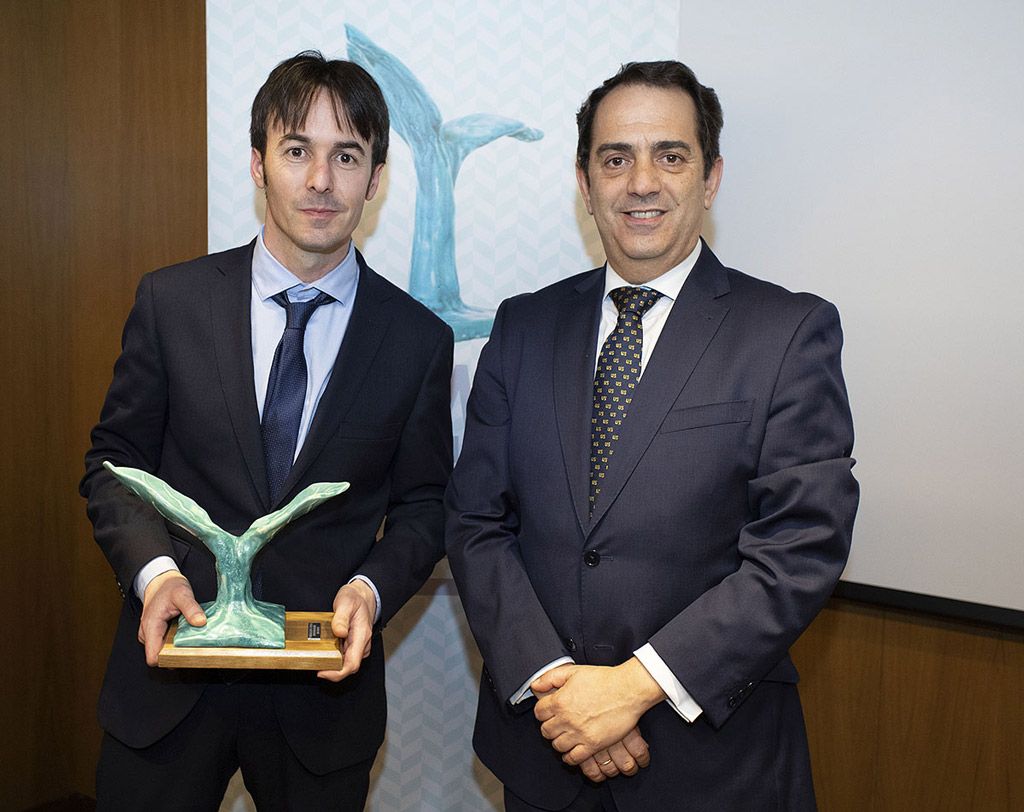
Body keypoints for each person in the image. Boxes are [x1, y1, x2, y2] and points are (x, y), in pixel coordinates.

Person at [445, 60, 858, 811]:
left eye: (670, 155)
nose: (641, 182)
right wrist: (557, 688)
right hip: (546, 749)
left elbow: (802, 545)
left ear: (711, 177)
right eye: (615, 158)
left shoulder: (788, 332)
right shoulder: (523, 327)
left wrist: (633, 689)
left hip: (713, 764)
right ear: (585, 181)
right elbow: (475, 522)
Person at [81, 51, 453, 810]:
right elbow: (112, 464)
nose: (321, 180)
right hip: (169, 678)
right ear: (258, 165)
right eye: (297, 151)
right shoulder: (171, 302)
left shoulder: (417, 341)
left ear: (376, 179)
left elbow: (426, 507)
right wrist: (156, 575)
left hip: (322, 700)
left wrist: (370, 590)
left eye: (346, 156)